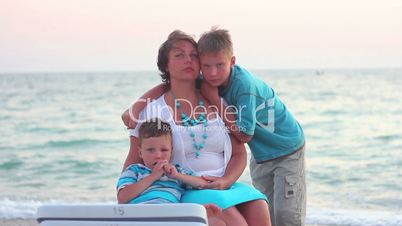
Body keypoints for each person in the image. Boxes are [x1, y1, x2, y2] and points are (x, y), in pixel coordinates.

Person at [122, 30, 271, 226]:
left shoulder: (217, 102)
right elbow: (135, 161)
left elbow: (238, 153)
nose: (188, 60)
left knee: (259, 206)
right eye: (179, 55)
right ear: (166, 65)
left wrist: (225, 181)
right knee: (234, 219)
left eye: (193, 55)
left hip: (226, 184)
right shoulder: (152, 111)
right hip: (185, 187)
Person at [197, 27, 306, 226]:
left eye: (220, 65)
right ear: (200, 65)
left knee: (286, 215)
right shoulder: (208, 79)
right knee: (267, 214)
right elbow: (173, 81)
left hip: (287, 149)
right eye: (207, 66)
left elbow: (245, 135)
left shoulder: (244, 86)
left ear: (232, 61)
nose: (213, 73)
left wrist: (215, 100)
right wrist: (140, 104)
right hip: (261, 155)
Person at [117, 119, 223, 225]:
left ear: (171, 151)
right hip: (139, 215)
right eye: (150, 150)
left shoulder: (176, 172)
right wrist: (153, 176)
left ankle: (198, 217)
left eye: (164, 150)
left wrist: (178, 175)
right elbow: (122, 198)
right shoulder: (135, 170)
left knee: (217, 223)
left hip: (169, 215)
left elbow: (202, 183)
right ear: (140, 152)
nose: (158, 155)